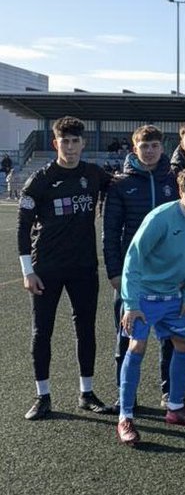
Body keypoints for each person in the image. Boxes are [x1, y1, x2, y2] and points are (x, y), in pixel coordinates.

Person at [19, 116, 114, 420]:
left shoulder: (94, 174)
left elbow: (127, 185)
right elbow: (22, 229)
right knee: (41, 331)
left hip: (84, 267)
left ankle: (86, 393)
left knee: (85, 329)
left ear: (83, 143)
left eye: (75, 141)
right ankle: (42, 396)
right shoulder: (40, 180)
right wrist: (27, 270)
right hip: (46, 267)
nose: (70, 147)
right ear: (55, 143)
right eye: (65, 141)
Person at [116, 166, 185, 444]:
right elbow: (132, 260)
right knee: (137, 346)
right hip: (143, 298)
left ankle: (175, 407)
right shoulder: (160, 218)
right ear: (180, 192)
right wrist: (131, 304)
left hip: (172, 297)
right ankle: (125, 416)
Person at [102, 125, 179, 404]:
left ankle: (169, 389)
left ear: (162, 148)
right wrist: (114, 271)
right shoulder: (120, 184)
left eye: (154, 146)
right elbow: (110, 231)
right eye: (144, 146)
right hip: (131, 273)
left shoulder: (174, 180)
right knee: (126, 335)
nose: (149, 151)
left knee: (169, 335)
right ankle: (126, 395)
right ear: (134, 149)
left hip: (168, 273)